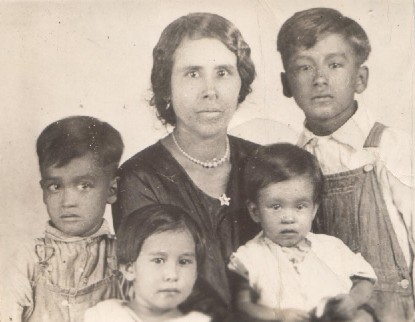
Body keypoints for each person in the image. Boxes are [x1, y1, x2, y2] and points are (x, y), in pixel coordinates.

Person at [112, 12, 260, 317]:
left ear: (240, 82)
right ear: (166, 86)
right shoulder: (140, 178)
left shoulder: (264, 163)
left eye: (223, 72)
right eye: (193, 73)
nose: (210, 90)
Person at [277, 7, 414, 322]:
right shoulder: (292, 164)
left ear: (361, 78)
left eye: (335, 65)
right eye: (304, 68)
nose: (320, 79)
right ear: (286, 83)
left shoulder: (391, 148)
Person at [229, 143, 377, 322]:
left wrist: (352, 300)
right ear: (255, 211)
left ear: (314, 210)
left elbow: (365, 280)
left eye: (300, 206)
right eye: (276, 207)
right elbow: (242, 306)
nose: (288, 218)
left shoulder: (331, 247)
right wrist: (277, 315)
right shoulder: (249, 257)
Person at [1, 116, 124, 322]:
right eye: (55, 186)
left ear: (111, 190)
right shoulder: (28, 259)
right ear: (43, 192)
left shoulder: (122, 257)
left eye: (84, 185)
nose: (67, 201)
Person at [85, 204, 211, 322]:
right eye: (158, 260)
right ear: (130, 269)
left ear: (196, 271)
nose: (172, 275)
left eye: (184, 262)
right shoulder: (105, 316)